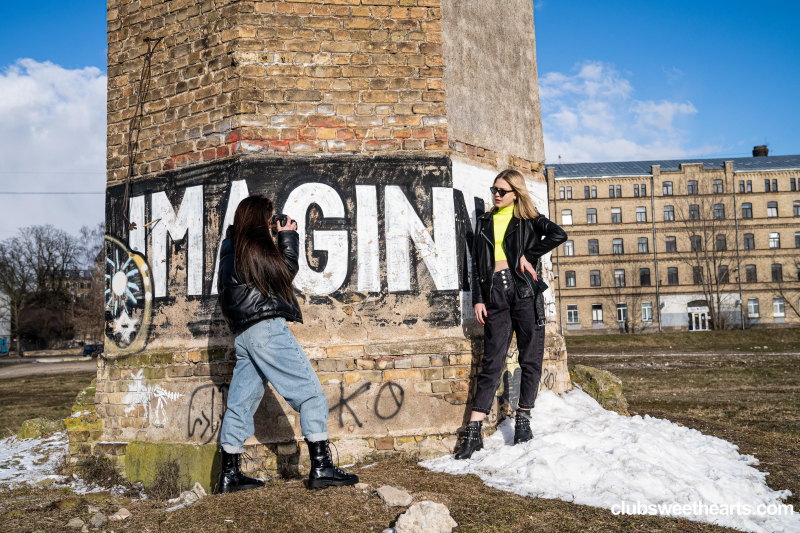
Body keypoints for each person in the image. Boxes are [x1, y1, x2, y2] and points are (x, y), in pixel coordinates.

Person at [216, 195, 359, 492]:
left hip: (244, 337)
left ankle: (229, 475)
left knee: (240, 406)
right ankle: (321, 467)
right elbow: (284, 274)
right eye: (269, 219)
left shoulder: (231, 248)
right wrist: (289, 236)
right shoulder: (253, 246)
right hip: (266, 330)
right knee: (309, 395)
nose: (271, 224)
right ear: (259, 219)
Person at [455, 169, 568, 460]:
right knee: (492, 362)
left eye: (502, 191)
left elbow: (559, 233)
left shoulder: (530, 220)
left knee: (530, 358)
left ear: (515, 193)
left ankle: (523, 420)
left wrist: (529, 255)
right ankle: (472, 432)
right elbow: (477, 267)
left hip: (525, 295)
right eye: (494, 189)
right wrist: (478, 300)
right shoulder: (484, 221)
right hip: (494, 295)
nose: (496, 194)